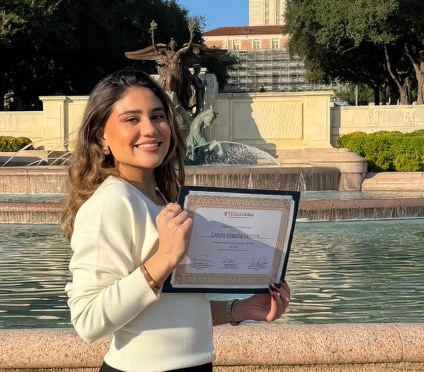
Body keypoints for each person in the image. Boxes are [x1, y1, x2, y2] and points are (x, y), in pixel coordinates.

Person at [60, 69, 291, 372]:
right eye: (132, 119)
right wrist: (165, 258)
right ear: (101, 136)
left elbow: (173, 310)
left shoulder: (161, 198)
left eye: (157, 116)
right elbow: (88, 321)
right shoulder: (112, 203)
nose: (151, 129)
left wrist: (242, 308)